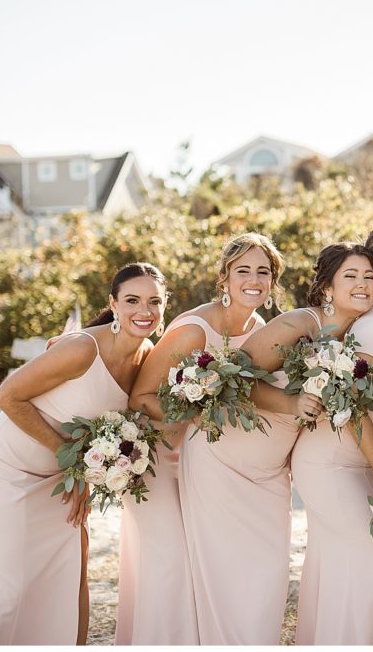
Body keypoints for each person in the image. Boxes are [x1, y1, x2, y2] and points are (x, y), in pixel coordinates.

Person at [0, 263, 166, 645]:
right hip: (9, 469)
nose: (144, 311)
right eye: (133, 300)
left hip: (63, 478)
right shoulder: (82, 348)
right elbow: (6, 396)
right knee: (8, 588)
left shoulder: (146, 355)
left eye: (154, 302)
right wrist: (75, 461)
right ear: (114, 305)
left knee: (67, 578)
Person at [121, 233, 278, 644]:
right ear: (224, 279)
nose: (254, 280)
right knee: (170, 561)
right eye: (243, 270)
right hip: (158, 459)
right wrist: (199, 410)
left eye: (264, 272)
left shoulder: (260, 328)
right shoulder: (194, 330)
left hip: (211, 463)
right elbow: (140, 396)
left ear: (273, 282)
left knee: (203, 563)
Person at [246, 242, 373, 645]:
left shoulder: (359, 333)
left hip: (281, 456)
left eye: (369, 277)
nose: (363, 284)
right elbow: (233, 378)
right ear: (327, 287)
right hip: (241, 448)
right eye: (351, 276)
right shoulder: (301, 323)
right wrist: (290, 401)